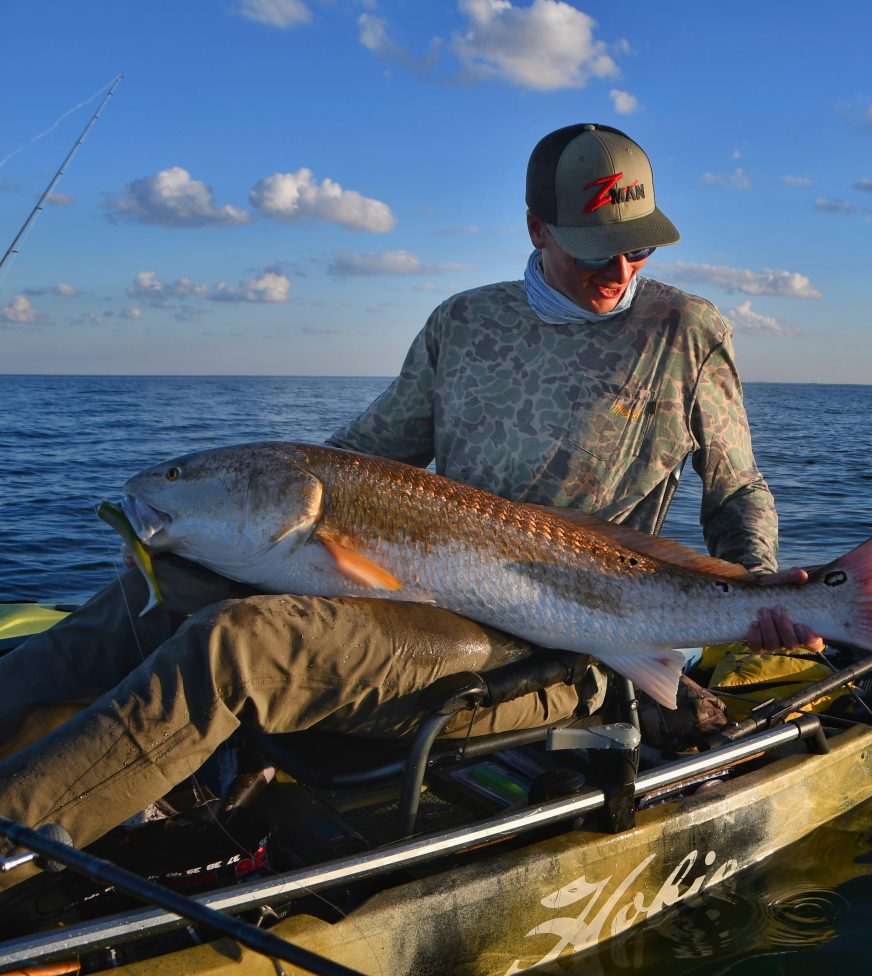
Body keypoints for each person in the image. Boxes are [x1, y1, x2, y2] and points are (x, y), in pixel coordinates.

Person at [0, 123, 817, 890]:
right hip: (426, 598)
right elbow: (360, 457)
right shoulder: (462, 323)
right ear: (537, 229)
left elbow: (737, 489)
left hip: (566, 639)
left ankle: (13, 842)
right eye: (593, 250)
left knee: (240, 647)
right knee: (149, 599)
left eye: (637, 248)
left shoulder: (685, 329)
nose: (620, 272)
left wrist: (760, 587)